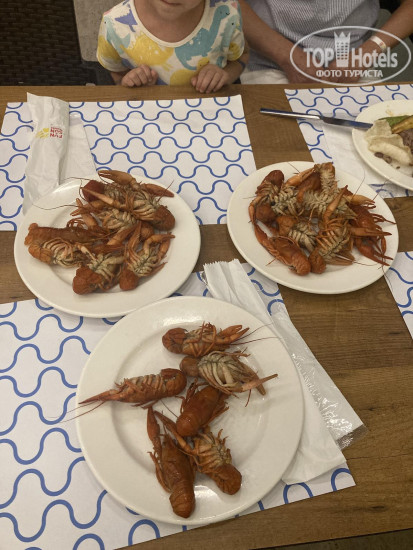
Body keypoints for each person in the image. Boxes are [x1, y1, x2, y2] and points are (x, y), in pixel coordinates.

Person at [237, 0, 413, 84]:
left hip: (356, 66)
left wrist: (369, 51)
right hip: (268, 62)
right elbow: (228, 4)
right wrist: (285, 55)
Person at [96, 0, 249, 93]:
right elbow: (114, 72)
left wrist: (225, 75)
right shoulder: (114, 24)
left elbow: (242, 57)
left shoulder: (228, 15)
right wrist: (128, 81)